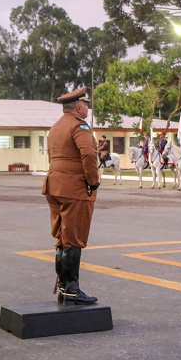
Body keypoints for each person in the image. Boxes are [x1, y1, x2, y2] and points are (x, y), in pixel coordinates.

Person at [43, 86, 100, 304]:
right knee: (74, 237)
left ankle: (64, 286)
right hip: (74, 188)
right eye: (86, 105)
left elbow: (52, 156)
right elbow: (88, 154)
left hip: (54, 186)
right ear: (78, 107)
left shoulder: (56, 126)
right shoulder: (80, 126)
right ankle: (72, 289)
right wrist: (92, 182)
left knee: (62, 237)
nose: (87, 108)